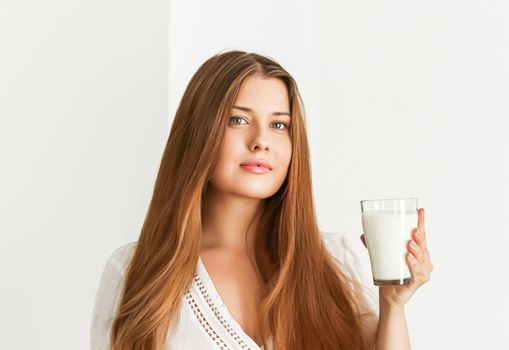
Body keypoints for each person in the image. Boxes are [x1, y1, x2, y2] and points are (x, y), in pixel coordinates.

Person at [90, 49, 433, 350]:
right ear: (199, 133)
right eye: (238, 120)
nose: (261, 141)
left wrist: (393, 306)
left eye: (279, 125)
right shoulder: (136, 271)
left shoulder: (337, 262)